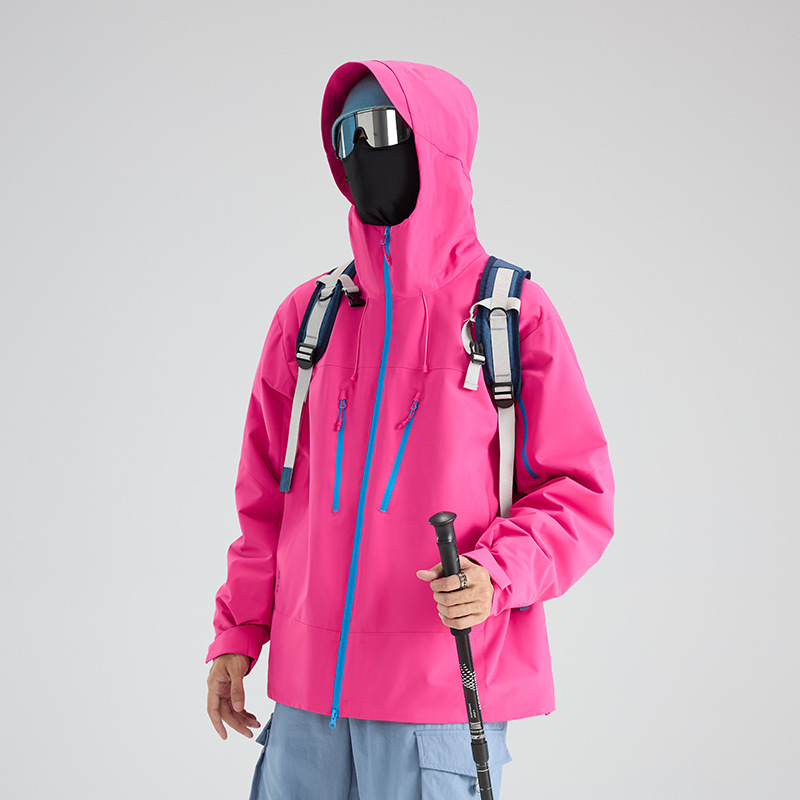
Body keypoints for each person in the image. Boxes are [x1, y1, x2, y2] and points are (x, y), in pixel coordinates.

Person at [205, 59, 615, 800]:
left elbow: (578, 492)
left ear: (437, 145)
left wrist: (497, 573)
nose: (361, 149)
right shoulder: (310, 317)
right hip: (305, 708)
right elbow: (265, 501)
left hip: (439, 700)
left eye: (381, 128)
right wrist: (238, 632)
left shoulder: (508, 314)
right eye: (344, 135)